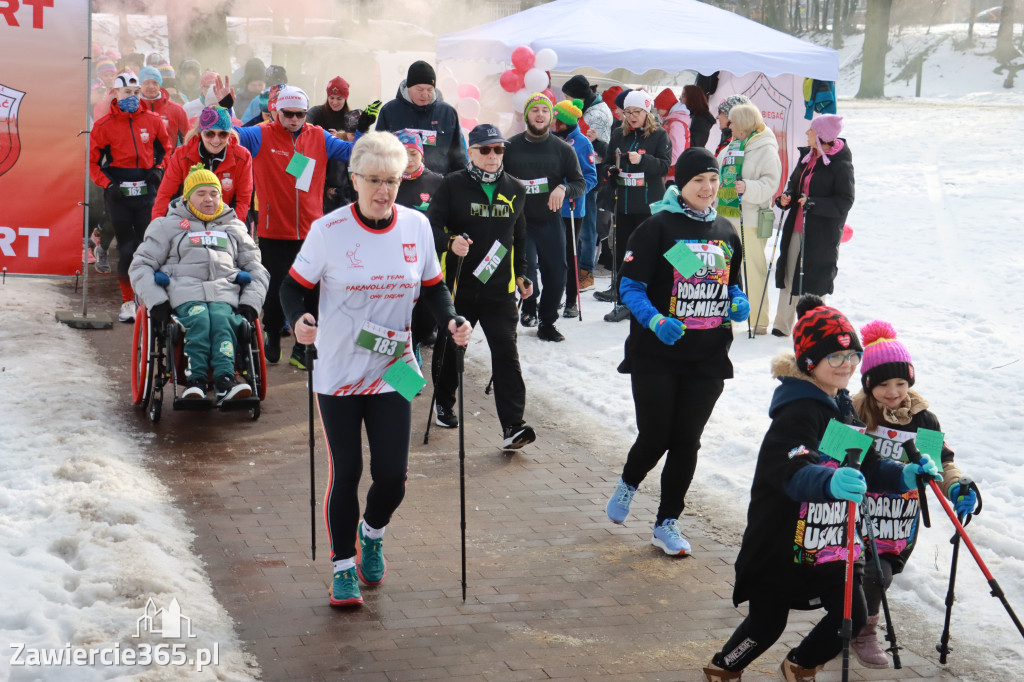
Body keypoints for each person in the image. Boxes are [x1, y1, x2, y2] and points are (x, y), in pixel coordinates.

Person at [701, 296, 941, 682]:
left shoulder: (839, 406)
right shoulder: (798, 409)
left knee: (852, 614)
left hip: (828, 539)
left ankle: (800, 665)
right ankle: (723, 669)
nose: (847, 365)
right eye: (836, 357)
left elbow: (868, 464)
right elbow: (792, 469)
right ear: (811, 361)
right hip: (781, 539)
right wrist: (828, 480)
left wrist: (904, 475)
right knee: (766, 626)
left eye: (852, 356)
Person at [278, 132, 473, 607]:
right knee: (347, 470)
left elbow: (432, 288)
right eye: (374, 181)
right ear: (355, 180)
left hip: (394, 367)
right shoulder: (329, 230)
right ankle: (343, 567)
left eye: (392, 180)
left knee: (392, 477)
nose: (384, 191)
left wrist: (451, 319)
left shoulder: (417, 227)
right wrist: (299, 321)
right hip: (339, 369)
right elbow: (291, 288)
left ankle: (373, 532)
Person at [604, 148, 748, 556]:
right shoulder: (658, 228)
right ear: (681, 185)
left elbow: (729, 284)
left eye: (713, 180)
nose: (708, 188)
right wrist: (654, 321)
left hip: (708, 355)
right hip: (657, 354)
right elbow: (629, 287)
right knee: (656, 435)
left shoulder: (726, 231)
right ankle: (629, 483)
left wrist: (738, 301)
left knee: (687, 441)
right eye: (699, 180)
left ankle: (667, 522)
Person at [849, 320, 977, 668]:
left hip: (898, 521)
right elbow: (830, 454)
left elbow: (941, 464)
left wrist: (957, 487)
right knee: (865, 573)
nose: (893, 392)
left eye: (901, 383)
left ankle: (857, 627)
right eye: (883, 384)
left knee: (879, 572)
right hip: (855, 513)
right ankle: (857, 629)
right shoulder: (855, 412)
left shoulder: (924, 421)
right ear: (868, 384)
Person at [233, 85, 377, 366]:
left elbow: (354, 154)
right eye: (288, 114)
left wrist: (363, 129)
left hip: (312, 230)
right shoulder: (261, 134)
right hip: (274, 229)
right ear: (277, 112)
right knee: (275, 289)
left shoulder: (318, 136)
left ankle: (303, 347)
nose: (295, 119)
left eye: (300, 114)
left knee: (312, 289)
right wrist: (223, 110)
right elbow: (231, 136)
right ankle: (272, 331)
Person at [427, 124, 536, 449]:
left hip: (499, 291)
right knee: (451, 349)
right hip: (460, 289)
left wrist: (523, 274)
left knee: (506, 353)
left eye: (498, 149)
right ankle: (444, 402)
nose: (492, 156)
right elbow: (431, 224)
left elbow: (519, 236)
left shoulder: (515, 188)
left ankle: (513, 427)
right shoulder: (453, 185)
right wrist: (449, 242)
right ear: (471, 152)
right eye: (485, 149)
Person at [129, 165, 269, 402]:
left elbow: (257, 269)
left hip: (225, 291)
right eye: (201, 193)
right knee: (200, 319)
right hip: (184, 292)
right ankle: (196, 381)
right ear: (187, 197)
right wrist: (157, 301)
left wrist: (251, 303)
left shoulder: (234, 227)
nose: (209, 199)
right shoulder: (166, 226)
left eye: (214, 193)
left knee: (223, 320)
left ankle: (226, 381)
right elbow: (140, 265)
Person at [503, 93, 587, 342]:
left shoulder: (563, 149)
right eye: (535, 110)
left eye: (544, 111)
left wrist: (563, 189)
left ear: (551, 117)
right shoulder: (510, 146)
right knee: (527, 273)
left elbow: (580, 183)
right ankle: (529, 308)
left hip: (549, 220)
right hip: (520, 222)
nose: (540, 114)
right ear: (526, 115)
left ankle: (547, 322)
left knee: (557, 273)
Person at [89, 72, 171, 322]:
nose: (133, 98)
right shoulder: (103, 126)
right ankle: (127, 302)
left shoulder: (154, 120)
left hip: (147, 192)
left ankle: (146, 297)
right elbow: (93, 163)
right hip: (119, 194)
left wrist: (159, 170)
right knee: (127, 248)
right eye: (127, 93)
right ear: (115, 93)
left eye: (136, 93)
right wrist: (108, 183)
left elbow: (167, 149)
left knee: (147, 247)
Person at [772, 114, 854, 337]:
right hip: (796, 227)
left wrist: (814, 204)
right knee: (788, 272)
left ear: (822, 136)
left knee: (814, 279)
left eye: (812, 130)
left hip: (821, 234)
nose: (807, 133)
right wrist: (787, 197)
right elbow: (795, 185)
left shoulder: (841, 164)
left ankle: (814, 329)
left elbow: (845, 201)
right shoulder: (807, 156)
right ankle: (782, 325)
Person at [594, 89, 672, 323]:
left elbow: (665, 166)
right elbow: (608, 161)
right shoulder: (619, 134)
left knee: (645, 252)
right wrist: (610, 170)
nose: (631, 116)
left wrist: (643, 160)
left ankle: (646, 297)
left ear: (646, 111)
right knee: (622, 251)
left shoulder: (659, 135)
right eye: (627, 112)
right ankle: (621, 296)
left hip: (647, 205)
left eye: (636, 111)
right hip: (623, 203)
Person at [716, 102, 781, 335]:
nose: (729, 125)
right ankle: (724, 315)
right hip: (725, 216)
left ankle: (758, 321)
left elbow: (771, 183)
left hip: (750, 219)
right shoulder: (732, 144)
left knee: (753, 270)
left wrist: (748, 187)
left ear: (743, 124)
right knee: (723, 270)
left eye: (732, 121)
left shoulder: (765, 148)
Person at [394, 129, 444, 363]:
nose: (409, 158)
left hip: (426, 260)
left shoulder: (436, 181)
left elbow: (448, 218)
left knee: (426, 320)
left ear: (421, 154)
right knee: (401, 320)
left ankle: (415, 342)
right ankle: (404, 377)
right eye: (403, 153)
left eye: (413, 153)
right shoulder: (387, 181)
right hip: (393, 262)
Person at [153, 106, 253, 222]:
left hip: (226, 219)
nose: (216, 140)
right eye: (209, 134)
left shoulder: (242, 156)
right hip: (188, 220)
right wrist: (157, 225)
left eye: (223, 134)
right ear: (201, 132)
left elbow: (243, 199)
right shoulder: (182, 155)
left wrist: (233, 227)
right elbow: (166, 195)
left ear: (229, 134)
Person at [560, 75, 612, 291]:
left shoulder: (597, 114)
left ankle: (586, 271)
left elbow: (602, 151)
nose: (567, 100)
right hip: (578, 172)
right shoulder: (590, 109)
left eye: (568, 97)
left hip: (590, 174)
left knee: (586, 224)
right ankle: (576, 268)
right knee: (580, 222)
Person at [375, 60, 468, 175]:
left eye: (429, 89)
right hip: (400, 185)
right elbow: (378, 153)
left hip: (439, 185)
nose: (425, 94)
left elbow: (459, 157)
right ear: (408, 86)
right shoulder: (389, 111)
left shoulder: (447, 113)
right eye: (420, 89)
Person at [550, 99, 598, 317]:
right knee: (551, 257)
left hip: (571, 208)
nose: (552, 121)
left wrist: (570, 191)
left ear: (566, 121)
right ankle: (553, 298)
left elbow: (591, 177)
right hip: (549, 206)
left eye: (556, 119)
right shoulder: (550, 138)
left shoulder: (582, 143)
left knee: (569, 256)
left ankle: (570, 301)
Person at [138, 66, 189, 149]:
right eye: (147, 83)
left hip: (169, 159)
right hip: (141, 160)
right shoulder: (133, 110)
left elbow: (188, 139)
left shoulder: (176, 109)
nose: (151, 86)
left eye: (155, 83)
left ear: (160, 85)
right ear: (140, 85)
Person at [654, 87, 690, 184]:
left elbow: (676, 153)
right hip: (671, 171)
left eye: (658, 108)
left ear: (666, 107)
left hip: (673, 174)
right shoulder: (671, 121)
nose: (657, 112)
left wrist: (662, 165)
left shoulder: (675, 124)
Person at [683, 85, 716, 149]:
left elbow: (695, 143)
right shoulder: (693, 116)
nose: (680, 98)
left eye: (684, 96)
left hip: (693, 155)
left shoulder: (701, 119)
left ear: (691, 98)